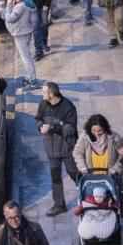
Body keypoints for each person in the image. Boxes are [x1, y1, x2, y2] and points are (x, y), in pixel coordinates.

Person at [36, 82, 79, 216]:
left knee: (74, 174)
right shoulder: (43, 104)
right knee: (55, 177)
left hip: (67, 149)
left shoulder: (68, 107)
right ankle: (59, 205)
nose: (42, 94)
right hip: (51, 150)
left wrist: (53, 128)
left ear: (51, 94)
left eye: (44, 92)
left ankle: (88, 197)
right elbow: (38, 118)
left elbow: (71, 129)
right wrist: (40, 126)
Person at [2, 0, 40, 91]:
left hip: (21, 34)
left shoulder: (20, 6)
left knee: (26, 58)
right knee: (27, 56)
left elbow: (9, 18)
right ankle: (29, 77)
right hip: (26, 32)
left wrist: (8, 6)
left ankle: (33, 82)